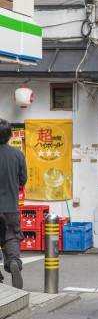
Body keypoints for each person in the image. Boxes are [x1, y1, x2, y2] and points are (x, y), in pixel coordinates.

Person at [0, 119, 27, 289]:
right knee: (11, 237)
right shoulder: (17, 154)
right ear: (10, 135)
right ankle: (13, 262)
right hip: (10, 208)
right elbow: (23, 180)